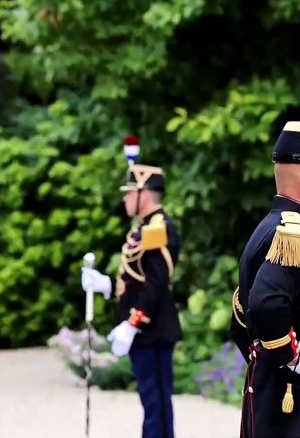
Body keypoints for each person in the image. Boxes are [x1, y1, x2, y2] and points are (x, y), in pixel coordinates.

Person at [232, 120, 300, 438]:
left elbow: (241, 315)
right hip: (297, 403)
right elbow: (265, 303)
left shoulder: (268, 226)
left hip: (273, 394)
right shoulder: (295, 234)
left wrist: (266, 360)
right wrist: (293, 357)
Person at [81, 160, 182, 438]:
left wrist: (133, 322)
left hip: (152, 328)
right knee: (151, 401)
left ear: (144, 194)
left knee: (156, 403)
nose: (125, 198)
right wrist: (105, 284)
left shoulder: (157, 228)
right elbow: (136, 281)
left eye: (129, 192)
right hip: (146, 330)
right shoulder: (144, 228)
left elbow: (157, 283)